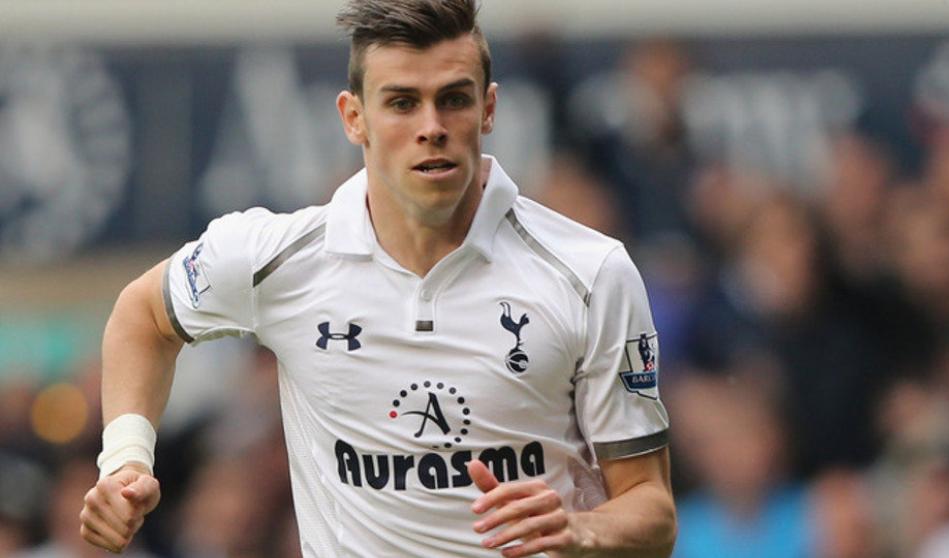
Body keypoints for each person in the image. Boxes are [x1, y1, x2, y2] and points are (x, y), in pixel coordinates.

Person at [78, 1, 677, 556]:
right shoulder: (278, 258)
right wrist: (126, 459)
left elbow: (652, 509)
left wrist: (582, 529)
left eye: (454, 99)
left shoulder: (590, 272)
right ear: (353, 117)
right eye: (402, 103)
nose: (432, 126)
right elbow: (142, 315)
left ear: (489, 109)